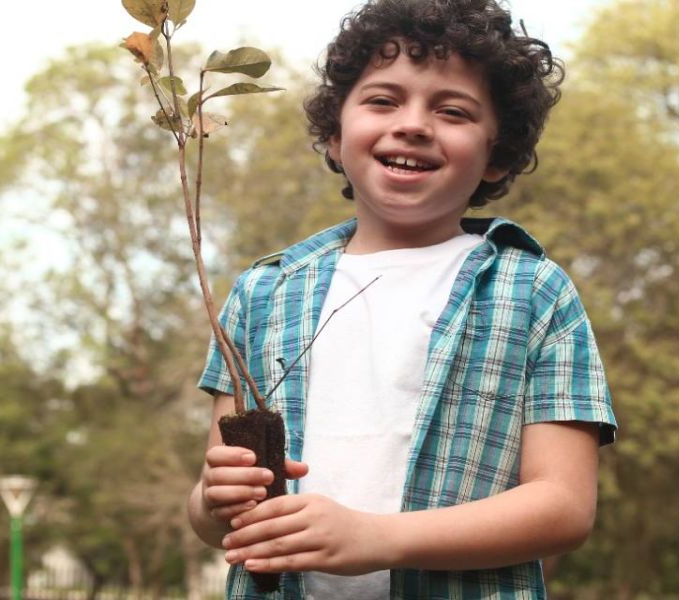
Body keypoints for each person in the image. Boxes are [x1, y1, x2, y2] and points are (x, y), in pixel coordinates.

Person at [186, 0, 617, 597]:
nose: (413, 124)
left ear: (496, 155)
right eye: (383, 100)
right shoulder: (263, 293)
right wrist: (213, 500)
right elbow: (212, 518)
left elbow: (564, 507)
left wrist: (379, 537)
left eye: (452, 110)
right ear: (335, 136)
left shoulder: (535, 292)